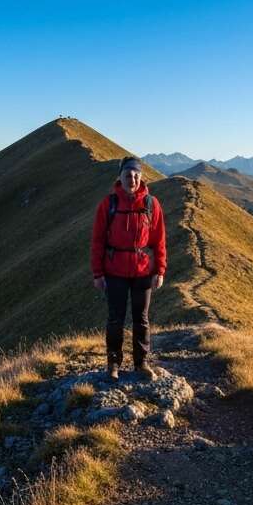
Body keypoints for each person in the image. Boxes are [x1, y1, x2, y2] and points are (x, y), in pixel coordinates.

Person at [89, 156, 166, 381]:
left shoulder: (152, 204)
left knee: (141, 319)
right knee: (115, 319)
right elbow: (97, 242)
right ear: (120, 177)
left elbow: (159, 240)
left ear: (141, 177)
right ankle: (113, 363)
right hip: (114, 272)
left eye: (135, 175)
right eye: (127, 175)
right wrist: (98, 273)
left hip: (143, 272)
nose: (131, 179)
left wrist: (160, 270)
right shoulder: (108, 204)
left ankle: (141, 363)